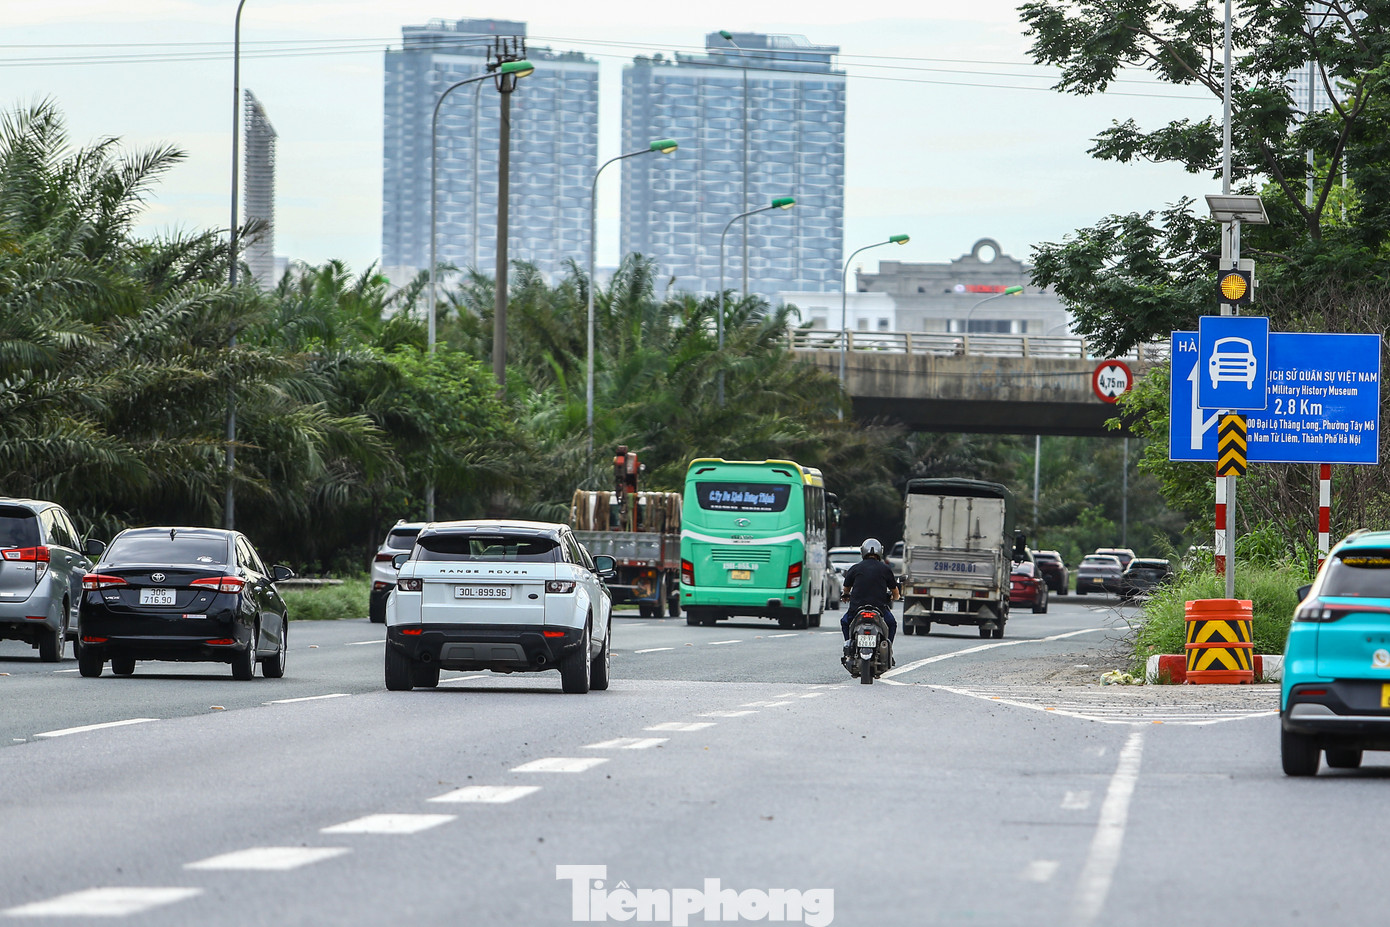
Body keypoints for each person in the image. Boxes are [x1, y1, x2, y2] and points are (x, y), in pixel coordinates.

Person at [840, 537, 899, 644]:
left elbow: (846, 589)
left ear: (863, 551)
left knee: (844, 622)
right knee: (892, 624)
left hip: (856, 609)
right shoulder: (885, 569)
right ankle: (888, 645)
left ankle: (848, 644)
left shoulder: (855, 568)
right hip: (880, 609)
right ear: (880, 551)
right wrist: (894, 597)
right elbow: (895, 592)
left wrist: (846, 595)